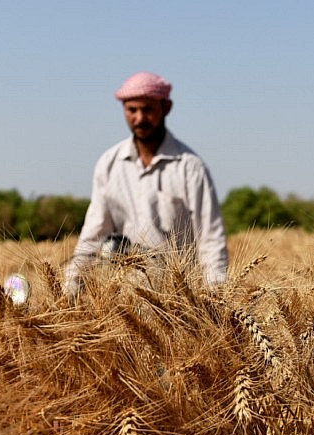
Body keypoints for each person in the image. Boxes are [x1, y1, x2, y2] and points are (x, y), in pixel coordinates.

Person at [64, 71, 229, 296]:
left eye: (148, 109)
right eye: (132, 110)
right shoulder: (109, 164)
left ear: (166, 108)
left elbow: (211, 239)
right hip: (123, 302)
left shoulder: (190, 167)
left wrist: (216, 300)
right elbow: (93, 236)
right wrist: (68, 292)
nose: (139, 118)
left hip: (179, 301)